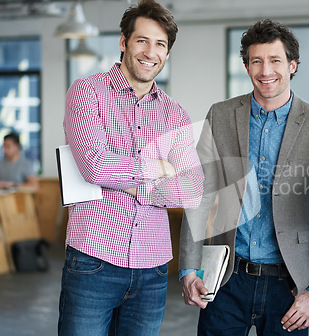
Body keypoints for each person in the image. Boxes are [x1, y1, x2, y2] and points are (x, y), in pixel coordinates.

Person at [179, 19, 309, 336]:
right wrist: (188, 266)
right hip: (226, 278)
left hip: (290, 285)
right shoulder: (221, 115)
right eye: (257, 61)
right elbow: (199, 194)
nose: (266, 71)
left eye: (275, 60)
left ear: (293, 65)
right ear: (246, 65)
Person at [58, 0, 204, 335]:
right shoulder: (87, 92)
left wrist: (131, 183)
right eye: (142, 40)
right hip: (93, 260)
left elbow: (193, 187)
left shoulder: (175, 113)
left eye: (160, 44)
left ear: (167, 53)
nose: (150, 52)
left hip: (153, 269)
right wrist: (159, 167)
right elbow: (95, 166)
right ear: (123, 42)